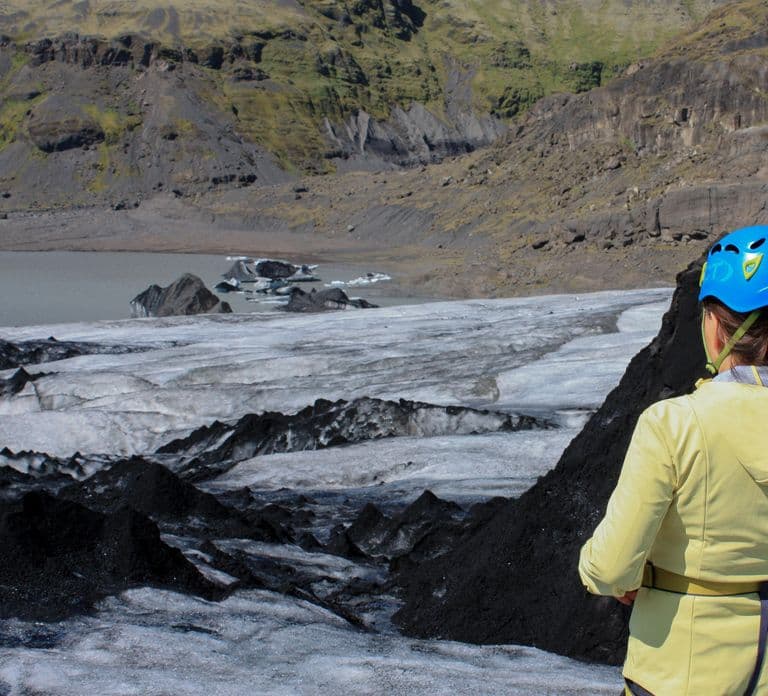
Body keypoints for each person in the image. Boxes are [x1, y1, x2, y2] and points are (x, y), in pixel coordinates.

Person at [578, 225, 768, 696]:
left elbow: (610, 568)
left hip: (679, 672)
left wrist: (618, 573)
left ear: (715, 324)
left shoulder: (674, 424)